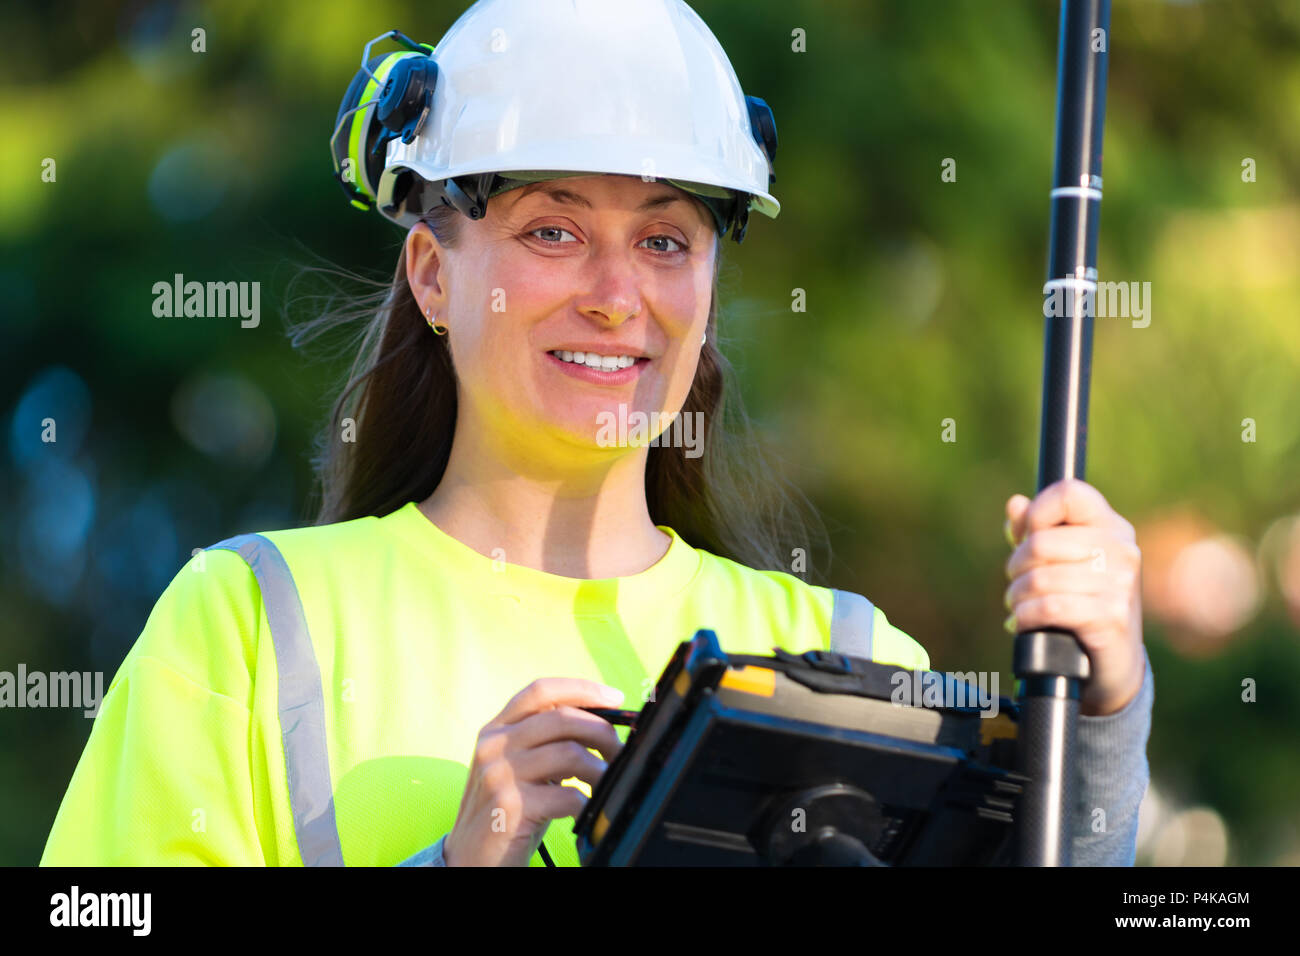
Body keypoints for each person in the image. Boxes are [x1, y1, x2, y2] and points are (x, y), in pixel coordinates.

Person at [40, 0, 1152, 868]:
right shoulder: (249, 625)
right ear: (432, 273)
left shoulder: (855, 661)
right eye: (553, 230)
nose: (618, 298)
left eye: (666, 241)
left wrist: (1102, 705)